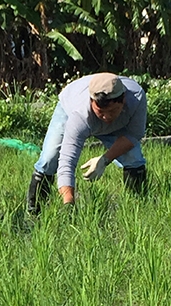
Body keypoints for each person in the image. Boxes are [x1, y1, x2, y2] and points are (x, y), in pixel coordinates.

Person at [27, 72, 147, 214]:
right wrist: (69, 203)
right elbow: (67, 162)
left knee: (133, 158)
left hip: (118, 126)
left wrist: (104, 160)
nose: (107, 117)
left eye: (113, 110)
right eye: (101, 111)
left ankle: (138, 208)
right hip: (70, 107)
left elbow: (134, 134)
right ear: (91, 102)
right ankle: (34, 213)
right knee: (49, 158)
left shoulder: (137, 98)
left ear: (124, 100)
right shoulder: (80, 114)